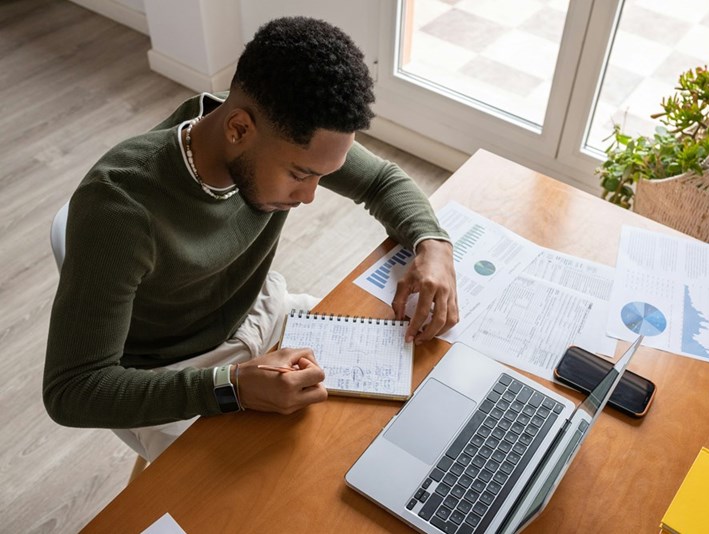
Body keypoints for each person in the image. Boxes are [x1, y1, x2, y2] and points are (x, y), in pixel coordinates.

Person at [43, 16, 458, 462]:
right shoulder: (120, 209)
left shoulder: (273, 125)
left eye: (322, 176)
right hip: (168, 374)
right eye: (300, 175)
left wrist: (433, 246)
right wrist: (232, 386)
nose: (309, 196)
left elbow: (382, 181)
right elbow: (74, 388)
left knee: (381, 423)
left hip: (262, 313)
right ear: (238, 129)